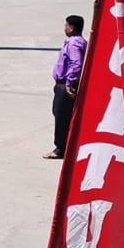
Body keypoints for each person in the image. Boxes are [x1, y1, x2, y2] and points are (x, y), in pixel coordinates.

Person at [46, 14, 86, 159]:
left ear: (72, 28)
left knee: (62, 116)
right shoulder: (78, 41)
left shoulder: (74, 44)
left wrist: (69, 82)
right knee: (60, 113)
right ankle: (68, 144)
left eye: (66, 25)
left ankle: (60, 149)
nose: (65, 28)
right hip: (64, 84)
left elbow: (76, 64)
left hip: (66, 86)